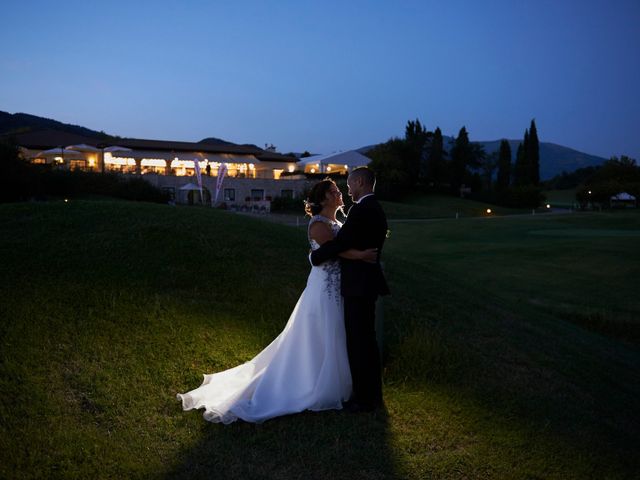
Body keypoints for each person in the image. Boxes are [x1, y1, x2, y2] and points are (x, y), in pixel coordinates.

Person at [177, 178, 376, 424]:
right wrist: (362, 254)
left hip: (338, 286)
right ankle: (310, 384)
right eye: (335, 191)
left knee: (336, 333)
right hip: (324, 287)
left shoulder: (337, 222)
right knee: (322, 332)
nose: (340, 194)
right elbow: (334, 250)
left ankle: (341, 384)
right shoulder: (319, 224)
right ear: (324, 198)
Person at [310, 167, 390, 412]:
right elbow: (344, 244)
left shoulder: (362, 209)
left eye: (350, 185)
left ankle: (366, 399)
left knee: (360, 342)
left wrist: (315, 257)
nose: (348, 190)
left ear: (361, 182)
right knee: (365, 340)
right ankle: (370, 394)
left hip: (359, 285)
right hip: (361, 283)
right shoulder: (373, 207)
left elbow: (341, 244)